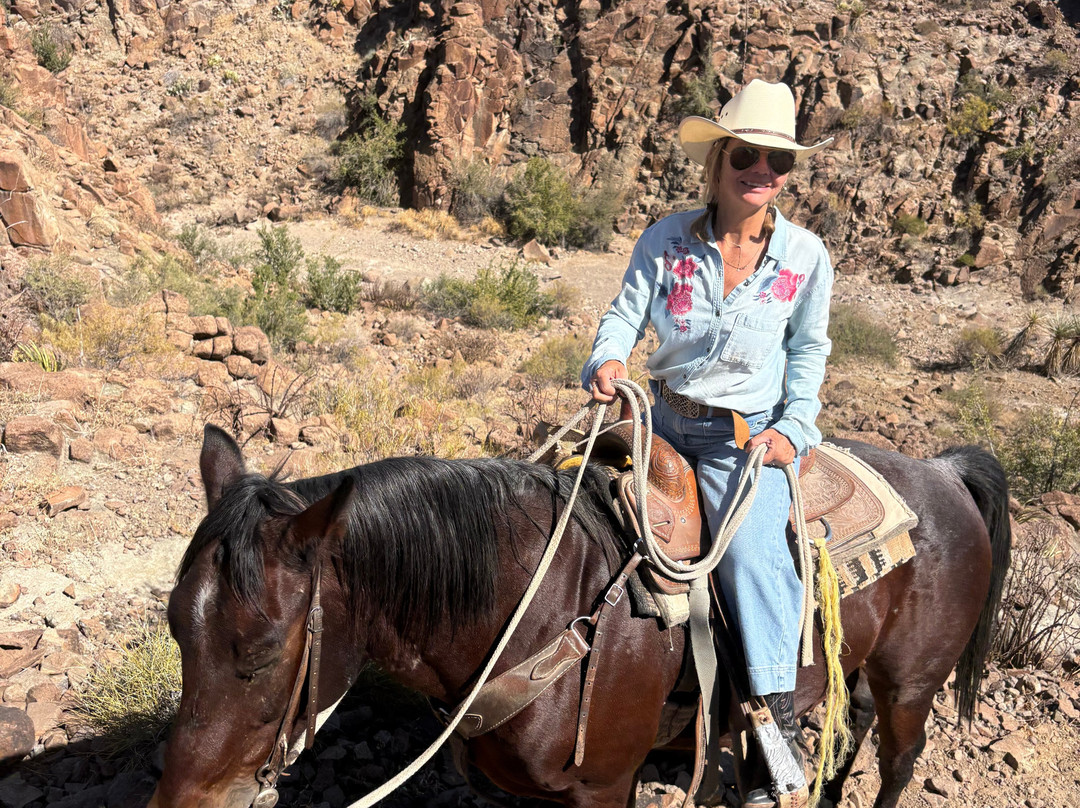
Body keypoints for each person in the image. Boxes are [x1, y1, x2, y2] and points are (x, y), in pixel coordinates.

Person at [581, 79, 833, 807]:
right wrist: (607, 360)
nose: (763, 172)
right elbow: (624, 314)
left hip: (739, 444)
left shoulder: (805, 258)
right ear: (721, 159)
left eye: (778, 163)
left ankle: (776, 745)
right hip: (658, 419)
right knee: (563, 503)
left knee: (756, 562)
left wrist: (795, 427)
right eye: (748, 155)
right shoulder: (665, 238)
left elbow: (810, 350)